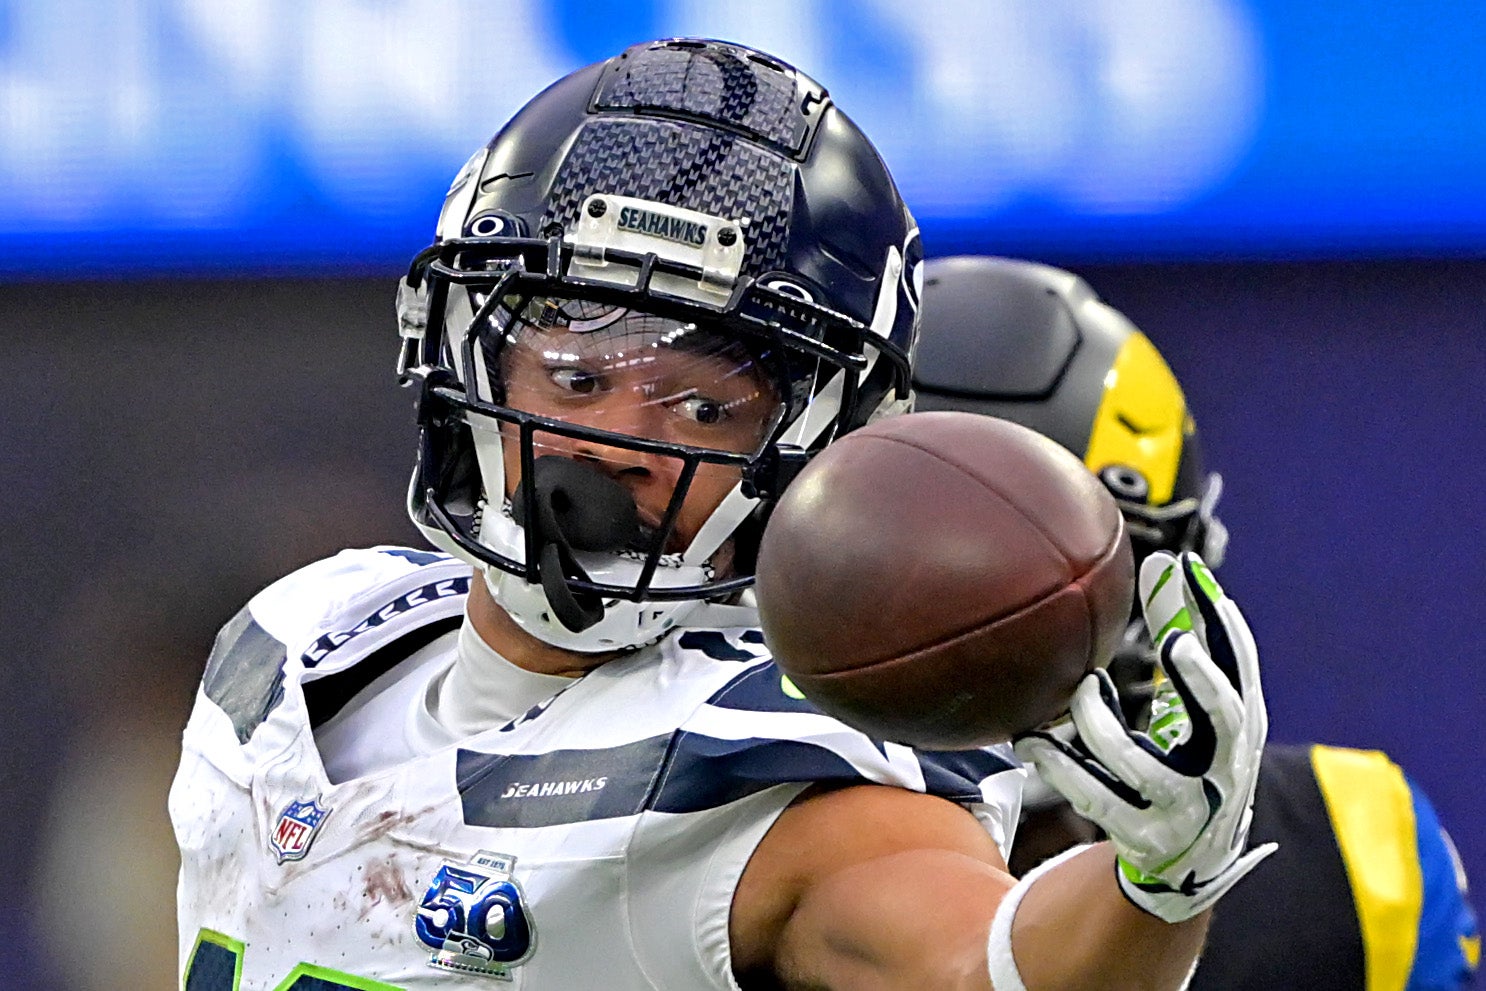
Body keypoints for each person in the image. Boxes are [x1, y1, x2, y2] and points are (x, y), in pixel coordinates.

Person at [172, 41, 1274, 990]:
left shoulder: (775, 768)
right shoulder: (295, 639)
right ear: (469, 356)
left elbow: (981, 959)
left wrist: (1155, 891)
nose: (612, 441)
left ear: (809, 450)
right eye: (572, 371)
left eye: (700, 403)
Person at [914, 253, 1481, 991]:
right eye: (931, 583)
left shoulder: (1350, 854)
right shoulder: (744, 844)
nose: (984, 636)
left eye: (1059, 580)